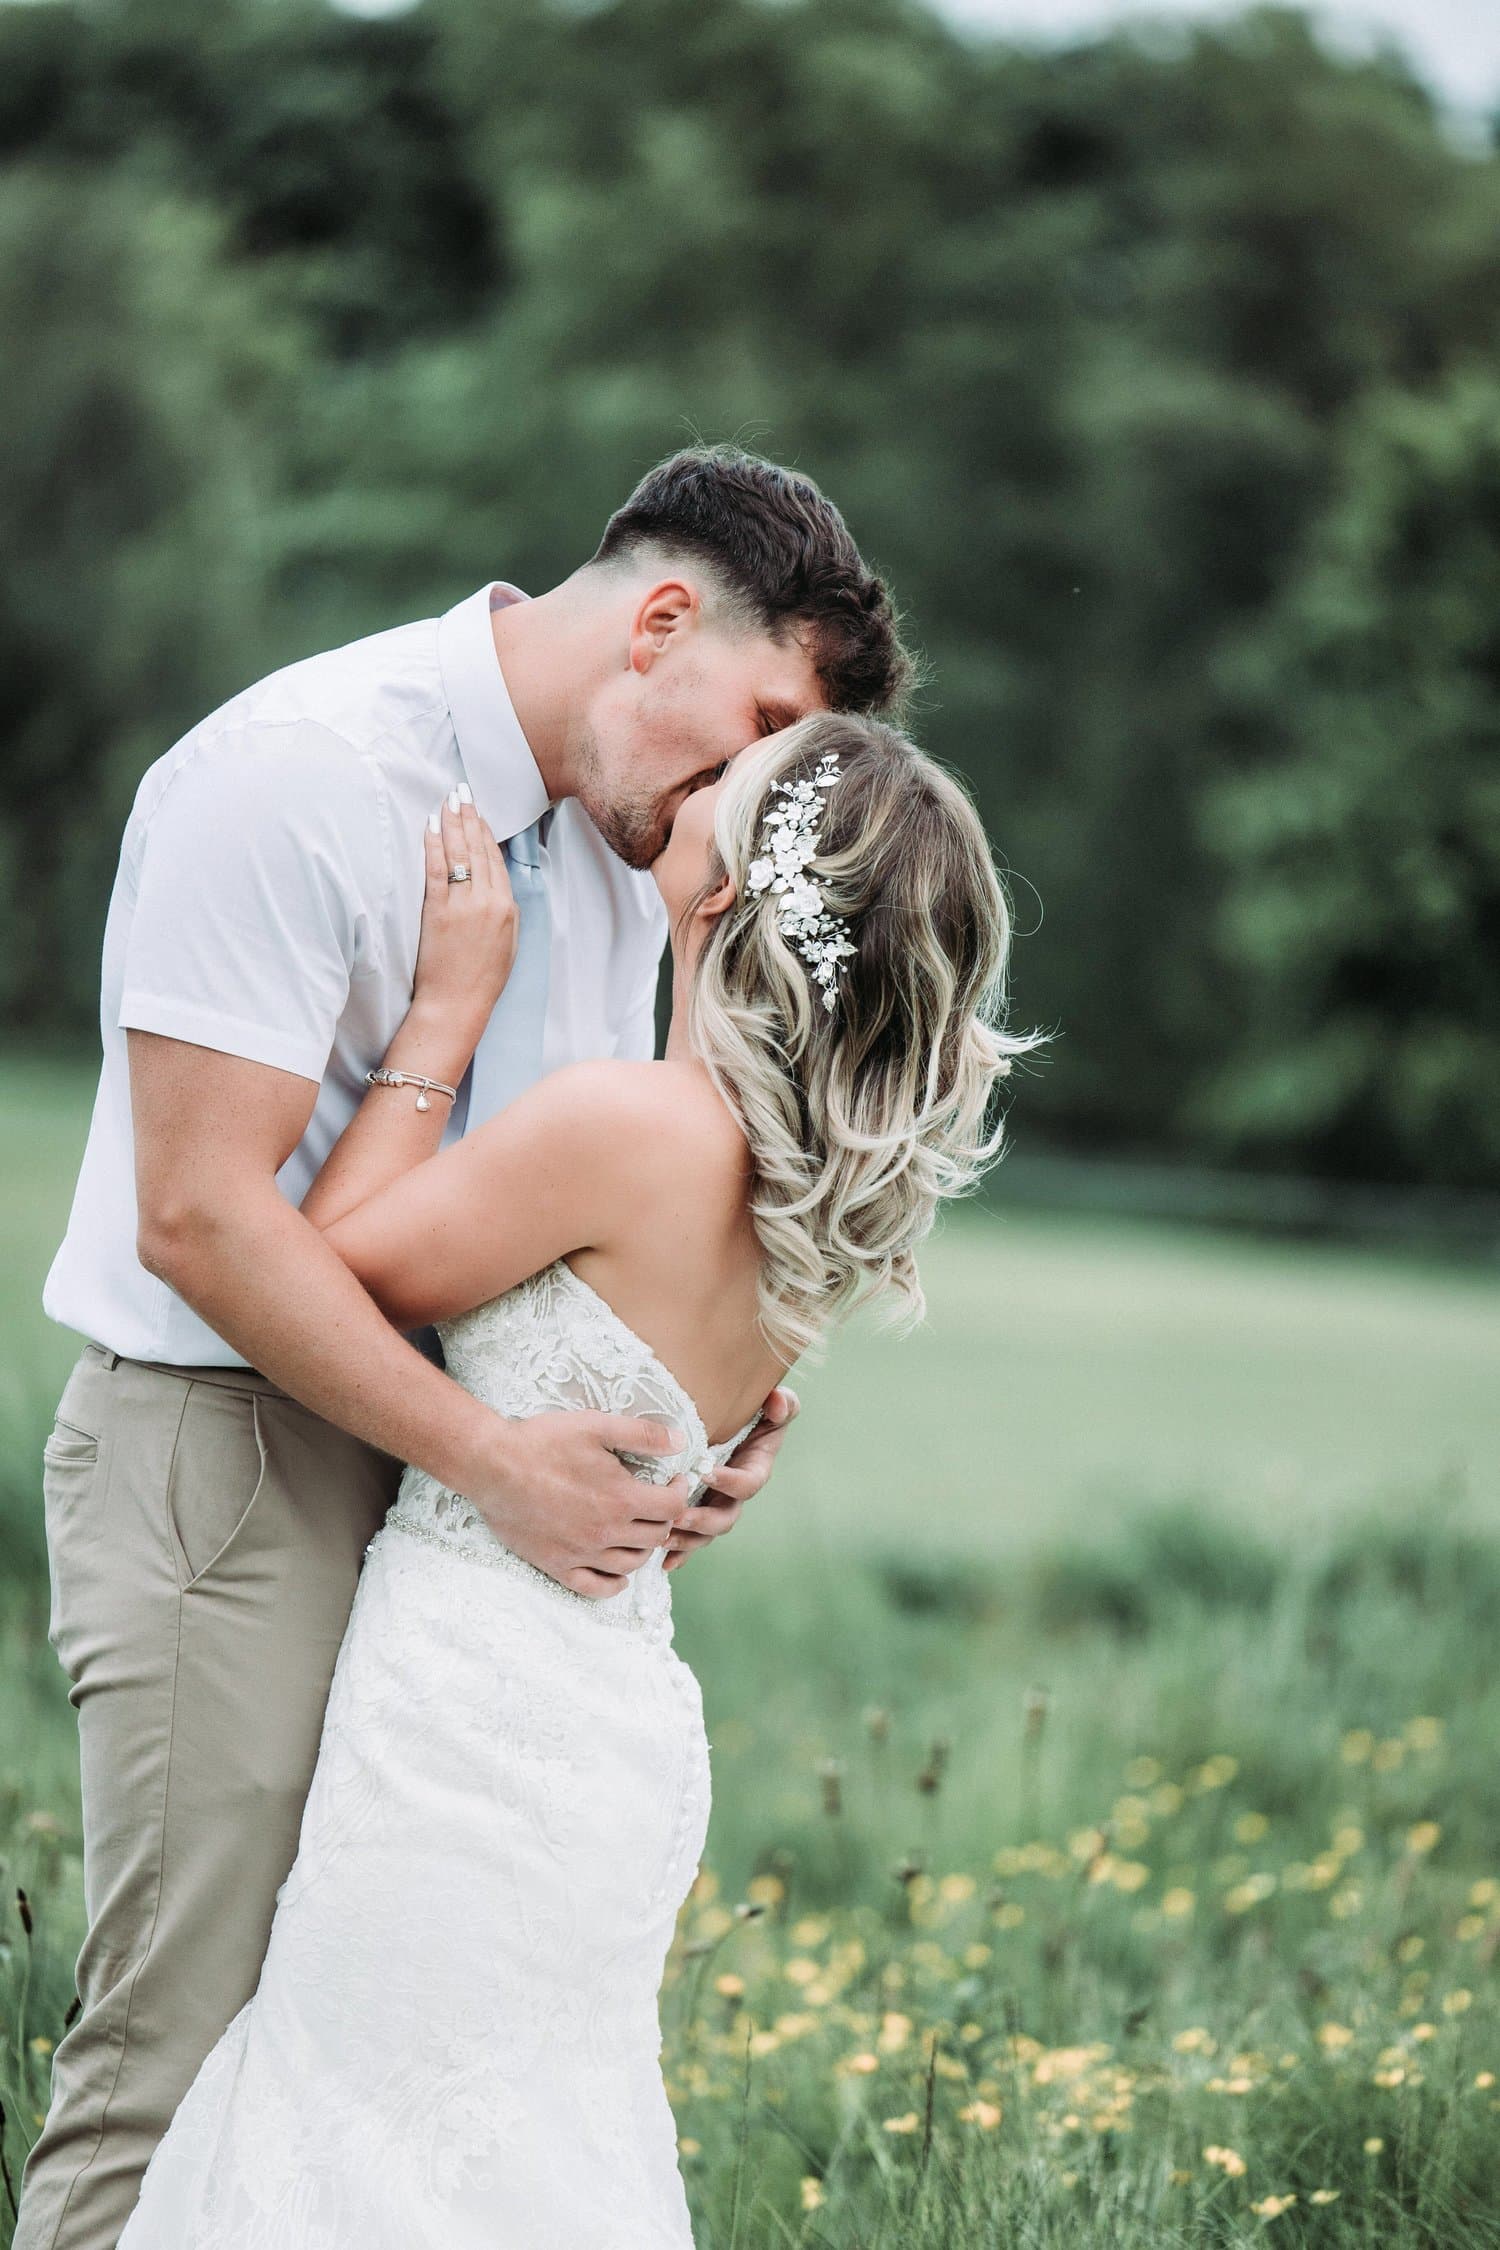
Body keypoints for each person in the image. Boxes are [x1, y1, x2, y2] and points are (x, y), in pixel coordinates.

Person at [20, 447, 912, 2250]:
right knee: (183, 2066)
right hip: (229, 1464)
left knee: (353, 2081)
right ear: (659, 621)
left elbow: (593, 1210)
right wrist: (492, 1454)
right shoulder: (298, 776)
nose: (742, 790)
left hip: (461, 1551)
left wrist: (688, 1404)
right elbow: (197, 1217)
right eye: (749, 726)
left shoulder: (630, 846)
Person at [112, 709, 1041, 2247]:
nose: (702, 776)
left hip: (476, 1709)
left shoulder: (633, 1124)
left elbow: (323, 1274)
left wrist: (442, 1018)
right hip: (610, 1715)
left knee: (361, 2141)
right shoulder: (805, 1192)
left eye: (731, 785)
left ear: (734, 889)